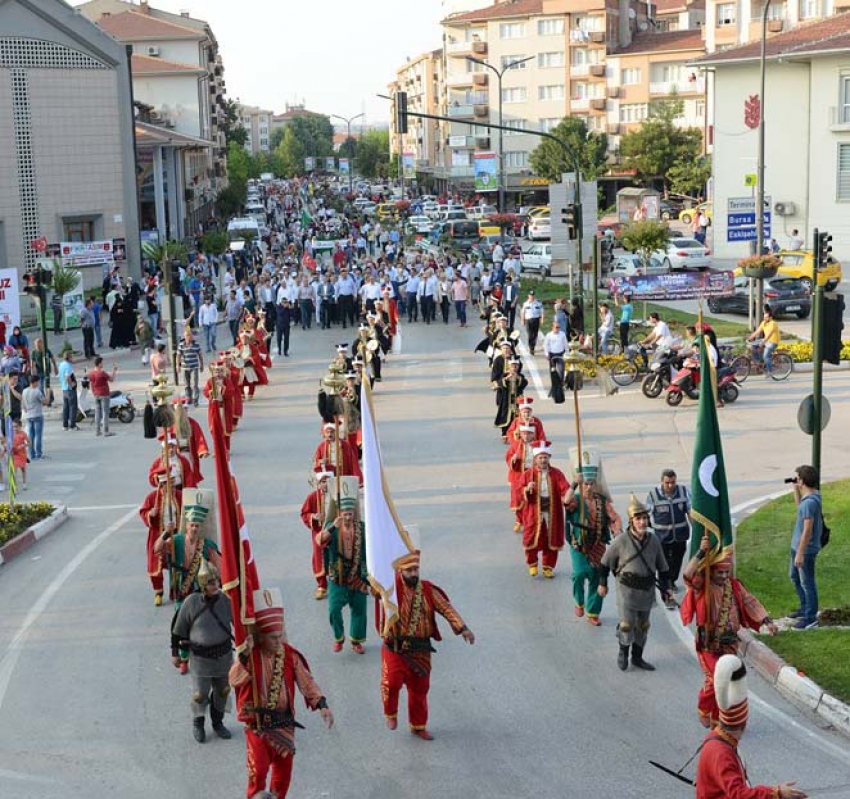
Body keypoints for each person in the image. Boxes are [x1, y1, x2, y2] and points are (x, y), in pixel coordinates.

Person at [230, 587, 334, 799]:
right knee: (257, 773)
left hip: (284, 726)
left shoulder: (289, 655)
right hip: (258, 728)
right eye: (272, 638)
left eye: (279, 636)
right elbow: (233, 679)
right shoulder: (251, 656)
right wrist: (244, 656)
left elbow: (306, 680)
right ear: (261, 637)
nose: (278, 642)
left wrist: (322, 704)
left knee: (283, 775)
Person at [681, 535, 776, 727]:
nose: (724, 576)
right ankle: (704, 707)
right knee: (715, 678)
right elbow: (689, 575)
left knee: (726, 682)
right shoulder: (703, 585)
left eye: (727, 572)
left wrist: (766, 620)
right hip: (708, 644)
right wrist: (701, 551)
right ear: (712, 570)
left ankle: (718, 719)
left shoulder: (734, 586)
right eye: (720, 572)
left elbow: (750, 601)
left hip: (730, 643)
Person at [380, 550, 474, 739]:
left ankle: (418, 725)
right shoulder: (389, 589)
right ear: (400, 572)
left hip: (421, 649)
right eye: (409, 570)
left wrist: (462, 627)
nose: (414, 573)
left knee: (420, 689)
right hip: (395, 648)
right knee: (392, 683)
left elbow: (446, 608)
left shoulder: (428, 590)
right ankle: (391, 713)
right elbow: (375, 588)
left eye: (416, 569)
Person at [695, 655, 807, 799]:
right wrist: (776, 792)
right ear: (744, 723)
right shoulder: (722, 753)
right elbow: (738, 794)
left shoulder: (719, 737)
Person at [598, 495, 672, 671]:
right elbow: (604, 562)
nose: (642, 522)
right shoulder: (621, 541)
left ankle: (637, 657)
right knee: (626, 624)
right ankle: (623, 651)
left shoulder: (654, 541)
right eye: (638, 519)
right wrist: (603, 584)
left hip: (646, 590)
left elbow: (663, 567)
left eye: (645, 518)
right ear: (632, 521)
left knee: (643, 625)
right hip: (626, 590)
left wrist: (666, 589)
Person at [172, 560, 234, 743]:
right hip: (201, 659)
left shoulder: (225, 600)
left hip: (223, 656)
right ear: (203, 584)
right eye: (211, 582)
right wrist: (175, 653)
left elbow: (238, 624)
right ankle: (198, 724)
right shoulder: (191, 602)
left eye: (217, 581)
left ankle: (218, 723)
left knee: (223, 690)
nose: (216, 585)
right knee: (200, 694)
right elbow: (177, 629)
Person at [565, 456, 622, 625]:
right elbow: (565, 501)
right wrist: (574, 483)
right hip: (579, 545)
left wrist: (617, 529)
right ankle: (579, 602)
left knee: (597, 578)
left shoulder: (602, 501)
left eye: (591, 484)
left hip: (598, 545)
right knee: (579, 574)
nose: (589, 487)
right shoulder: (576, 498)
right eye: (586, 484)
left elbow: (614, 518)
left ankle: (593, 612)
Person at [317, 477, 369, 654]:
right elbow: (319, 540)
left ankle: (356, 640)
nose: (348, 516)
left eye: (350, 513)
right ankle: (339, 638)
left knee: (360, 610)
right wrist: (332, 527)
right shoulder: (333, 527)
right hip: (337, 576)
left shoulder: (362, 527)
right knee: (333, 609)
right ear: (339, 512)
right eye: (345, 513)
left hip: (357, 576)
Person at [515, 441, 570, 578]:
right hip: (533, 512)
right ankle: (532, 563)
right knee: (531, 537)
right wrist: (527, 489)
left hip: (552, 512)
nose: (543, 460)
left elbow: (565, 487)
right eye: (540, 457)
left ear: (549, 458)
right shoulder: (528, 474)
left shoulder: (556, 473)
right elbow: (518, 490)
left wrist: (568, 495)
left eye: (545, 457)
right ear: (535, 459)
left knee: (551, 539)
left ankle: (548, 566)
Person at [646, 469, 692, 603]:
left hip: (680, 536)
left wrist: (697, 529)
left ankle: (671, 581)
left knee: (677, 562)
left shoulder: (683, 492)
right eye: (667, 483)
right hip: (662, 537)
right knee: (663, 565)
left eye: (673, 482)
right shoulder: (653, 495)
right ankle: (666, 593)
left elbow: (690, 511)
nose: (670, 486)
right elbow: (646, 513)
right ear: (662, 481)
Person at [788, 464, 822, 630]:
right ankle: (804, 607)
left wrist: (800, 553)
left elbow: (808, 529)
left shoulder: (810, 503)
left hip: (805, 550)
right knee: (794, 576)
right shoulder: (811, 497)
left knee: (807, 582)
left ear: (802, 480)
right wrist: (796, 489)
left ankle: (810, 617)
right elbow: (799, 507)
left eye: (798, 478)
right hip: (797, 546)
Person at [300, 468, 333, 600]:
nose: (325, 484)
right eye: (322, 481)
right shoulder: (312, 497)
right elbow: (304, 513)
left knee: (335, 554)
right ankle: (322, 585)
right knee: (319, 557)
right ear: (318, 483)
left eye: (327, 481)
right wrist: (313, 516)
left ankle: (337, 582)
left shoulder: (336, 495)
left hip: (334, 531)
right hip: (318, 532)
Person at [87, 356, 117, 437]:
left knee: (97, 413)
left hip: (96, 395)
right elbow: (111, 379)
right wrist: (114, 370)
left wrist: (94, 393)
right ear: (99, 363)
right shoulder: (102, 373)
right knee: (105, 413)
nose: (103, 364)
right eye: (102, 362)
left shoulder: (91, 373)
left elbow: (91, 384)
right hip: (104, 394)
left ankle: (97, 431)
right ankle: (106, 431)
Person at [747, 306, 780, 378]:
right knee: (753, 345)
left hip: (773, 342)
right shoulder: (763, 323)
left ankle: (770, 372)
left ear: (770, 318)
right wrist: (750, 338)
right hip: (766, 340)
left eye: (766, 317)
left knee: (766, 356)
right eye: (764, 317)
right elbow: (757, 332)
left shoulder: (773, 323)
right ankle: (759, 362)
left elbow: (768, 335)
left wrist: (763, 342)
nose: (764, 319)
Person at [21, 379, 48, 460]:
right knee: (38, 435)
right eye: (38, 382)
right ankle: (38, 454)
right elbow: (45, 402)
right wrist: (48, 393)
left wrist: (26, 411)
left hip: (28, 415)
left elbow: (23, 404)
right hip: (37, 415)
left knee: (31, 436)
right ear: (34, 382)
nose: (38, 384)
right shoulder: (37, 391)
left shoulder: (24, 391)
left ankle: (31, 454)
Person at [177, 327, 203, 407]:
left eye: (190, 335)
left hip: (194, 366)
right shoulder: (181, 345)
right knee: (186, 384)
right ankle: (188, 398)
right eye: (187, 335)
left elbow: (200, 355)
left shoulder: (196, 345)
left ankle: (195, 399)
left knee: (195, 384)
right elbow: (178, 356)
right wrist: (178, 366)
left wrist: (201, 365)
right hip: (185, 367)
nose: (189, 337)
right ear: (184, 337)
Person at [57, 350, 80, 431]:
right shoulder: (68, 366)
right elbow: (68, 377)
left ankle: (65, 425)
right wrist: (72, 385)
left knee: (65, 407)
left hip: (64, 389)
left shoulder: (61, 364)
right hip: (69, 389)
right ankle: (72, 425)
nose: (72, 358)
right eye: (71, 357)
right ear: (69, 357)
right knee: (73, 407)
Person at [521, 290, 544, 355]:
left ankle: (533, 347)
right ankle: (531, 348)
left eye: (533, 295)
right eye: (530, 295)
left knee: (535, 334)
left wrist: (542, 319)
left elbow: (542, 312)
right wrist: (522, 320)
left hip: (536, 320)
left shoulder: (538, 303)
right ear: (528, 296)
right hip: (528, 321)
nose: (532, 297)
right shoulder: (525, 304)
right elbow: (523, 312)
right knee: (530, 334)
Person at [10, 419, 30, 490]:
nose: (15, 428)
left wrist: (23, 445)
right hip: (15, 454)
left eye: (16, 426)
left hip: (22, 454)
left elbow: (29, 442)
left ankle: (24, 484)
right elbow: (8, 442)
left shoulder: (23, 433)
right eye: (13, 427)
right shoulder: (11, 434)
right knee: (14, 471)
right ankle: (15, 487)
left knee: (23, 469)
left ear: (20, 426)